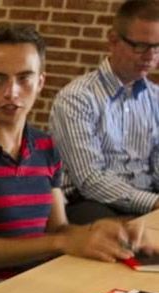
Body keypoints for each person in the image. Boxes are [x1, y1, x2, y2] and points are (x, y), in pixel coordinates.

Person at [0, 24, 148, 293]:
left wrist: (105, 229)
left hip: (42, 277)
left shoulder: (45, 146)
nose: (12, 92)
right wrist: (59, 243)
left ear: (41, 82)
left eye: (24, 78)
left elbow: (59, 229)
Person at [49, 0, 159, 223]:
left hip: (146, 199)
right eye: (140, 46)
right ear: (113, 41)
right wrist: (153, 203)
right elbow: (89, 179)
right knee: (126, 239)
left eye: (157, 47)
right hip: (90, 202)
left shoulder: (156, 97)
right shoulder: (76, 98)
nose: (150, 57)